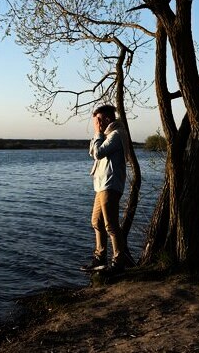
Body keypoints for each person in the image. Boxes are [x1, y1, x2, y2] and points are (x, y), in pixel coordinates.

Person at [81, 104, 130, 273]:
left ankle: (118, 262)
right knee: (96, 222)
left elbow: (98, 153)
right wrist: (98, 134)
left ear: (108, 119)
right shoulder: (107, 135)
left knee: (111, 225)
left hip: (111, 184)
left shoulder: (116, 134)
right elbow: (92, 152)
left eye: (99, 120)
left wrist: (97, 132)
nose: (97, 123)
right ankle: (100, 258)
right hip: (101, 185)